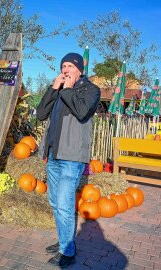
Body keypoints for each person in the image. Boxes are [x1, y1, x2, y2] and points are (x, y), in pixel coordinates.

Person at [36, 52, 100, 267]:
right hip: (54, 154)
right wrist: (53, 89)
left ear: (80, 69)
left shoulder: (90, 90)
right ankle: (65, 239)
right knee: (56, 202)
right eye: (63, 66)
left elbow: (82, 112)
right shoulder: (60, 90)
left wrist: (69, 90)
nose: (65, 70)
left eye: (70, 66)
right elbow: (40, 114)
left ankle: (68, 251)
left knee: (64, 204)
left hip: (72, 157)